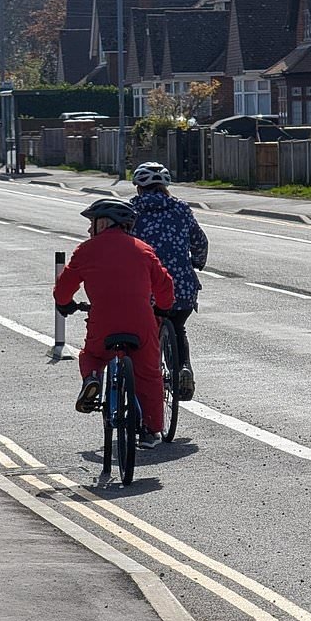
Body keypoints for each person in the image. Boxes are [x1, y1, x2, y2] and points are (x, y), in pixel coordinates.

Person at [54, 199, 175, 448]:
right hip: (141, 321)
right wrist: (162, 308)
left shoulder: (86, 250)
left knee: (93, 355)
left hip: (103, 321)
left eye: (92, 224)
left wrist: (65, 304)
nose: (89, 230)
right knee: (149, 373)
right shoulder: (143, 249)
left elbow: (64, 287)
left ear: (105, 223)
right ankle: (151, 430)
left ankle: (93, 380)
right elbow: (165, 285)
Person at [129, 162, 209, 401]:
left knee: (146, 334)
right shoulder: (181, 209)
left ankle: (149, 379)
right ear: (165, 186)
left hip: (146, 286)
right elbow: (200, 241)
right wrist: (197, 262)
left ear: (138, 188)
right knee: (178, 327)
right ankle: (183, 367)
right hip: (181, 286)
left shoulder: (131, 211)